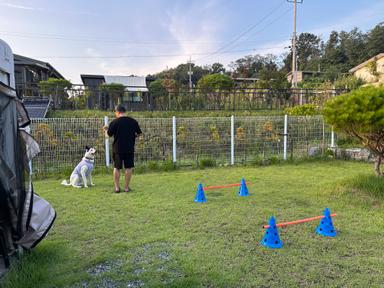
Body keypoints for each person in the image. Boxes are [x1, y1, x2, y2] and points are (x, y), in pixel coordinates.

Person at [103, 105, 142, 193]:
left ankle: (117, 188)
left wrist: (105, 130)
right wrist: (133, 136)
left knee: (117, 168)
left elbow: (107, 136)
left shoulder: (114, 122)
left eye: (115, 112)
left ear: (117, 112)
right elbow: (139, 133)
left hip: (117, 149)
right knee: (128, 167)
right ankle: (126, 188)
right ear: (125, 111)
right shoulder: (133, 121)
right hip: (129, 148)